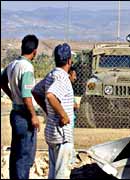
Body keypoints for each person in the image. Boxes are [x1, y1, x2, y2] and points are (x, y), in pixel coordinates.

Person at [0, 34, 40, 179]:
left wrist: (12, 96)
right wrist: (34, 116)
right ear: (34, 51)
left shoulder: (13, 64)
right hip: (24, 116)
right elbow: (27, 96)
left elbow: (2, 82)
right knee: (25, 156)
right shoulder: (27, 67)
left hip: (15, 113)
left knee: (16, 154)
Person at [32, 43, 74, 179]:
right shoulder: (62, 78)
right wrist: (63, 115)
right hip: (62, 134)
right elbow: (50, 95)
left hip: (52, 132)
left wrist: (48, 111)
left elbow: (36, 91)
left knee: (53, 171)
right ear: (69, 61)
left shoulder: (51, 75)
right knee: (61, 174)